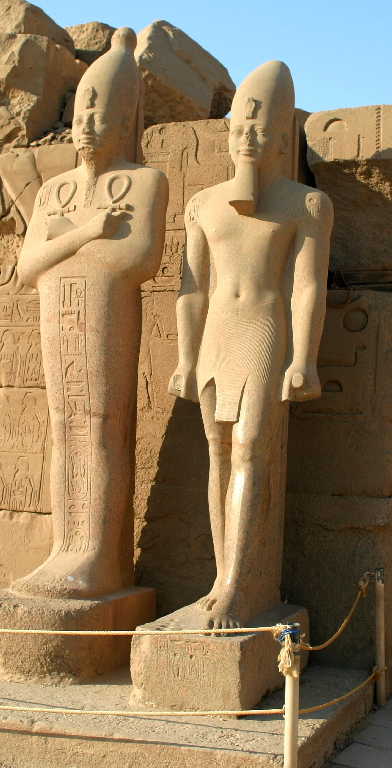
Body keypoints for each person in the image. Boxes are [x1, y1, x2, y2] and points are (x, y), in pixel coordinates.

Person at [169, 61, 333, 630]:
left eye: (261, 128)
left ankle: (239, 584)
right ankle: (222, 577)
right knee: (217, 452)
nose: (248, 136)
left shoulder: (305, 205)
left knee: (249, 448)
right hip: (216, 332)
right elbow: (192, 289)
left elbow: (307, 286)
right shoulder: (203, 203)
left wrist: (304, 358)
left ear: (283, 138)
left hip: (263, 328)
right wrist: (185, 358)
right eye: (240, 126)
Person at [12, 27, 168, 599]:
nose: (86, 122)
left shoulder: (145, 182)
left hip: (105, 317)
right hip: (61, 317)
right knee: (64, 427)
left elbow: (135, 258)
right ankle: (65, 548)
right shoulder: (53, 192)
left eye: (99, 111)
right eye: (80, 110)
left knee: (100, 427)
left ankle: (97, 556)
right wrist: (87, 231)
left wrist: (65, 239)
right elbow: (29, 267)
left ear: (126, 118)